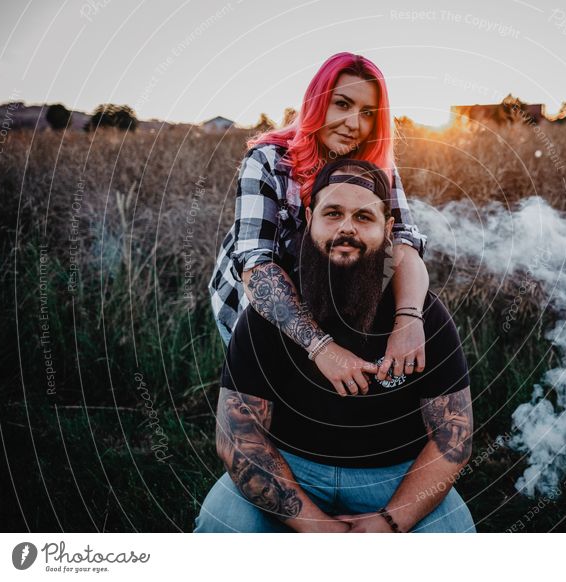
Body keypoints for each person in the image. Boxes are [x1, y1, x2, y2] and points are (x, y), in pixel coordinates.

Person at [194, 159, 475, 533]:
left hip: (393, 475)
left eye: (363, 217)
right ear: (309, 219)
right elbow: (239, 439)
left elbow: (453, 439)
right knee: (223, 524)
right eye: (333, 213)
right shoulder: (273, 311)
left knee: (453, 540)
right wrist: (318, 528)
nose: (346, 227)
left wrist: (390, 522)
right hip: (291, 468)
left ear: (388, 229)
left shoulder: (421, 317)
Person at [208, 52, 429, 395]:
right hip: (260, 307)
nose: (354, 123)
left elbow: (404, 244)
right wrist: (322, 347)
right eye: (342, 104)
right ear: (318, 102)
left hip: (333, 300)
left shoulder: (377, 166)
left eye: (367, 113)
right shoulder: (268, 160)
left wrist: (409, 320)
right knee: (274, 396)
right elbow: (256, 264)